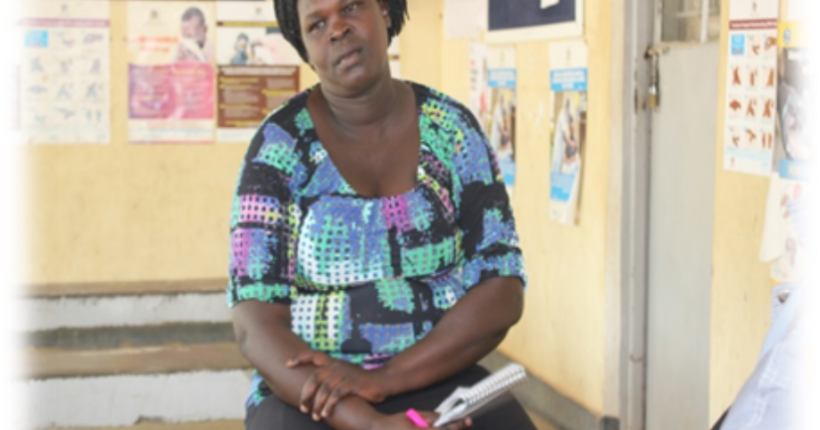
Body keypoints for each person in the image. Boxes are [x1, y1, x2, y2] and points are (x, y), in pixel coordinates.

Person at [227, 1, 535, 429]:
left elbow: (502, 288)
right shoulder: (279, 147)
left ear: (385, 11)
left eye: (350, 7)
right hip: (311, 393)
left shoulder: (451, 129)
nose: (337, 30)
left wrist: (386, 379)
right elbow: (254, 324)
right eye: (317, 25)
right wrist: (368, 422)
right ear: (305, 47)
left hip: (438, 371)